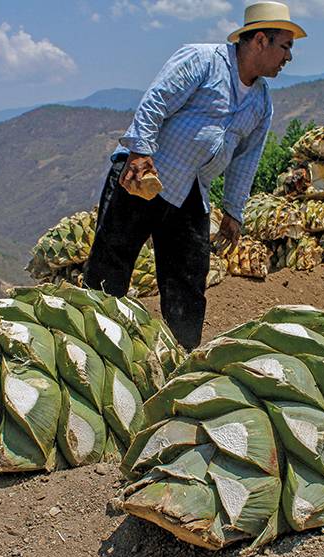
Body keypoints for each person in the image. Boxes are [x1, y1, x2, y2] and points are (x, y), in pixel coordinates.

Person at [83, 1, 306, 351]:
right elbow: (156, 101)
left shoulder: (261, 101)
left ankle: (181, 359)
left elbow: (246, 160)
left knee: (188, 280)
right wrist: (140, 152)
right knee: (112, 264)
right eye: (286, 46)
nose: (289, 57)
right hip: (147, 174)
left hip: (191, 191)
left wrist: (234, 211)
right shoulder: (202, 61)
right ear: (261, 40)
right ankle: (91, 347)